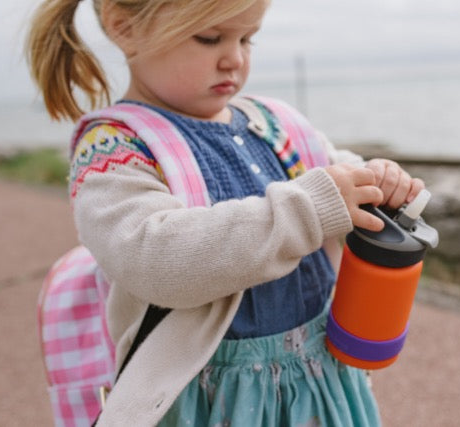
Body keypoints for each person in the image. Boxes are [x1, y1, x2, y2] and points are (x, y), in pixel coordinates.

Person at [26, 0, 425, 425]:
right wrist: (310, 209)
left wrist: (379, 180)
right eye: (209, 38)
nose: (234, 57)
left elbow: (338, 176)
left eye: (246, 38)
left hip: (320, 376)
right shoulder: (115, 152)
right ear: (125, 29)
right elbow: (157, 260)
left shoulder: (275, 125)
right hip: (210, 399)